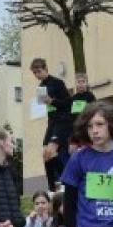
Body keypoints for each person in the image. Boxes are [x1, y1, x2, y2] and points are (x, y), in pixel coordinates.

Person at [30, 58, 73, 187]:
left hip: (63, 121)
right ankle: (52, 186)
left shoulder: (58, 83)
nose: (37, 75)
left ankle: (67, 180)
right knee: (45, 154)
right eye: (34, 73)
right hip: (52, 122)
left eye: (38, 71)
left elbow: (68, 103)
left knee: (51, 151)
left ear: (45, 68)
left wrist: (52, 101)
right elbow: (43, 107)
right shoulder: (40, 87)